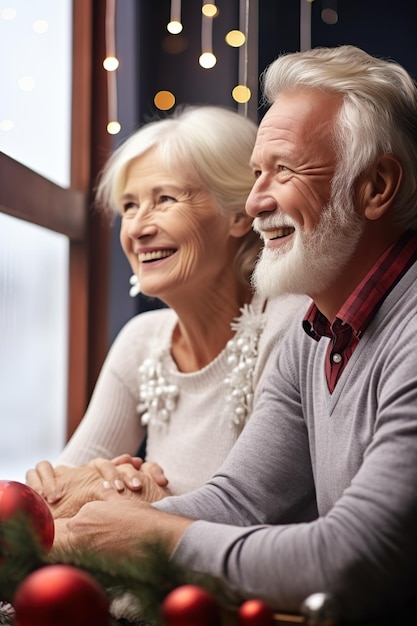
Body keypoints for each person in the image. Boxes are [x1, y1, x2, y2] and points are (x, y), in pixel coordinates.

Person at [53, 45, 417, 623]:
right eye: (255, 174)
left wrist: (142, 532)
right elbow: (241, 498)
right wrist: (80, 525)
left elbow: (354, 557)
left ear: (375, 186)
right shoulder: (316, 330)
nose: (256, 201)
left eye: (285, 170)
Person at [26, 105, 308, 519]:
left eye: (164, 199)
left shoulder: (291, 324)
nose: (138, 228)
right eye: (129, 206)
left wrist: (125, 497)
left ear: (237, 213)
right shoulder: (142, 339)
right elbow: (50, 499)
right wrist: (101, 485)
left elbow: (252, 518)